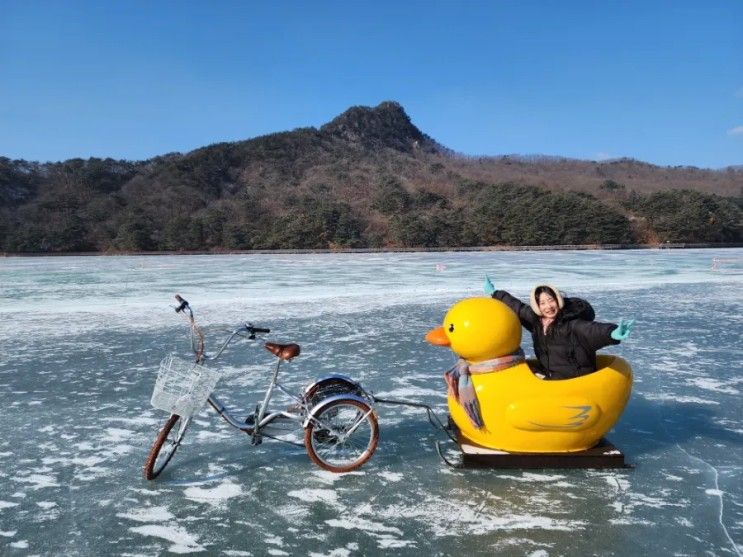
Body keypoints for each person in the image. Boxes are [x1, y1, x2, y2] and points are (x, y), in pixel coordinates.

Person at [484, 277, 633, 380]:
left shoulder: (572, 324)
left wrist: (612, 333)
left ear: (557, 300)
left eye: (551, 300)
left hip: (575, 379)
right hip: (552, 374)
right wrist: (495, 293)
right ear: (538, 306)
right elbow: (517, 307)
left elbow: (593, 330)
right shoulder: (537, 320)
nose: (548, 306)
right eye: (542, 303)